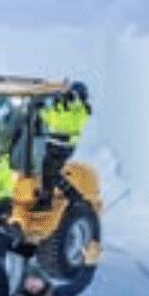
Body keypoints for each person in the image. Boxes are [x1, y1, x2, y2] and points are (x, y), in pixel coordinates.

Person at [35, 82, 91, 211]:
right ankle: (46, 201)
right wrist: (41, 109)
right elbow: (50, 118)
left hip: (65, 146)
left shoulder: (81, 110)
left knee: (53, 173)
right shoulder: (59, 107)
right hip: (53, 144)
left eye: (73, 94)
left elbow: (76, 112)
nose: (68, 96)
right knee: (46, 172)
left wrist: (69, 100)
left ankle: (75, 198)